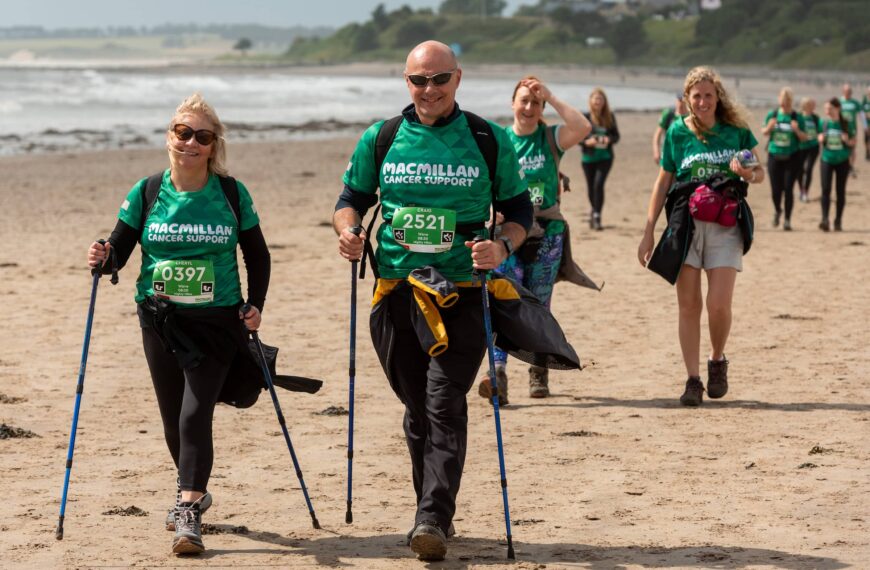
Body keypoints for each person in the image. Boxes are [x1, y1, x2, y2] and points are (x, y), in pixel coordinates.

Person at [332, 41, 532, 562]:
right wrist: (350, 232)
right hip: (395, 292)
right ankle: (431, 506)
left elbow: (517, 211)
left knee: (445, 402)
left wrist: (502, 245)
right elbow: (351, 199)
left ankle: (432, 518)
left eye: (439, 79)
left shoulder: (488, 140)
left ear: (458, 79)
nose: (429, 90)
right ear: (406, 82)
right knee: (418, 407)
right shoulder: (382, 138)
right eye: (419, 80)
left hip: (463, 292)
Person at [87, 93, 270, 555]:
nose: (190, 142)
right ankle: (195, 489)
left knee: (195, 412)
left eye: (202, 136)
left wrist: (255, 305)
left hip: (216, 321)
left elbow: (258, 255)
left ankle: (188, 510)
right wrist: (104, 258)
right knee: (173, 417)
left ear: (213, 145)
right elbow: (120, 251)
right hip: (159, 320)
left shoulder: (230, 193)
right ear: (170, 136)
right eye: (182, 132)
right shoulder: (147, 191)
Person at [637, 66, 764, 407]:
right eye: (697, 96)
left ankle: (717, 359)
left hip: (726, 222)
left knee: (718, 304)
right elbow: (663, 182)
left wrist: (747, 171)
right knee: (689, 304)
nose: (703, 101)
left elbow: (760, 172)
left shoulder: (736, 131)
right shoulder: (677, 132)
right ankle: (693, 379)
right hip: (686, 222)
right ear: (687, 99)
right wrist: (649, 231)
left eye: (709, 95)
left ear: (717, 97)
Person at [475, 76, 591, 402]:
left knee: (538, 304)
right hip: (508, 235)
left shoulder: (549, 138)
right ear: (512, 104)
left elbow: (582, 127)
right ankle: (497, 375)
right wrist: (490, 213)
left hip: (547, 234)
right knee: (503, 301)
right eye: (524, 100)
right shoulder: (500, 142)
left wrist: (550, 95)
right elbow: (482, 185)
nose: (528, 107)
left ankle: (538, 371)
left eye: (535, 103)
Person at [762, 87, 806, 230]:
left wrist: (796, 130)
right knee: (776, 190)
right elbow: (764, 132)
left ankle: (787, 220)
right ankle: (777, 210)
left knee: (788, 189)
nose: (784, 104)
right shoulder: (773, 114)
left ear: (790, 102)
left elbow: (805, 138)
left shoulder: (796, 117)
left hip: (792, 157)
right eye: (781, 101)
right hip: (774, 155)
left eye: (786, 102)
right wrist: (769, 127)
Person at [581, 87, 620, 231]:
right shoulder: (585, 117)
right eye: (596, 98)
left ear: (604, 102)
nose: (598, 101)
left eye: (601, 99)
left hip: (605, 158)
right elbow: (577, 136)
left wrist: (608, 139)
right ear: (591, 101)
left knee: (598, 184)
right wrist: (586, 141)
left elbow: (616, 137)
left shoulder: (609, 116)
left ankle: (597, 215)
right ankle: (593, 209)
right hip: (588, 158)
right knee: (591, 188)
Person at [817, 97, 856, 231]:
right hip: (826, 159)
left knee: (840, 191)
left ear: (838, 108)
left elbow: (853, 143)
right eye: (826, 109)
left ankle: (838, 220)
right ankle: (825, 219)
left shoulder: (846, 123)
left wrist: (847, 140)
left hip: (842, 161)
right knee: (825, 190)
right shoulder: (823, 122)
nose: (827, 111)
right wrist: (820, 138)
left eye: (830, 109)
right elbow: (818, 136)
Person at [796, 97, 821, 203]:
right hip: (801, 147)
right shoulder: (798, 117)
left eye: (813, 104)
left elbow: (820, 131)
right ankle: (801, 190)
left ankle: (806, 192)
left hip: (813, 147)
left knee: (809, 168)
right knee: (800, 170)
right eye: (811, 104)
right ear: (805, 106)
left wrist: (820, 137)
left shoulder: (815, 118)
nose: (813, 106)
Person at [652, 92, 688, 164]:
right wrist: (656, 151)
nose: (680, 104)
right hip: (668, 153)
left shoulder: (691, 117)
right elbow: (657, 134)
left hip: (685, 154)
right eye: (679, 101)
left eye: (683, 102)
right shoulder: (669, 114)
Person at [839, 83, 861, 176]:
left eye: (849, 91)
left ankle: (851, 166)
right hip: (841, 129)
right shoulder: (839, 101)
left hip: (852, 129)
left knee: (852, 148)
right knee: (843, 147)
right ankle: (844, 166)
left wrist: (865, 126)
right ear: (843, 91)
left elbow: (862, 114)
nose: (848, 93)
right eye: (846, 91)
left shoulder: (855, 102)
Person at [862, 86, 870, 161]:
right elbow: (862, 112)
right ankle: (867, 152)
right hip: (867, 124)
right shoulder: (865, 100)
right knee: (866, 139)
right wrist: (865, 125)